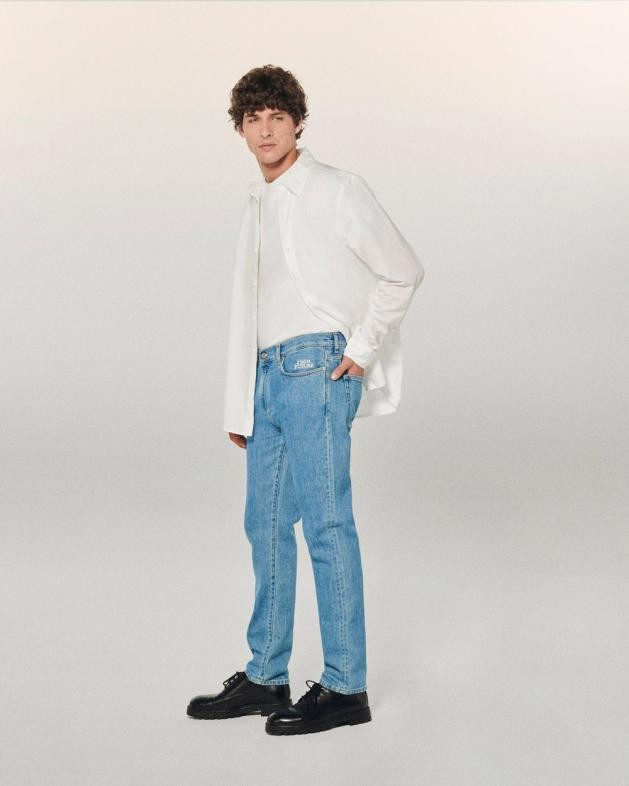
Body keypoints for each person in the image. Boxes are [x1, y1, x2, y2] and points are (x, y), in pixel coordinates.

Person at [187, 64, 425, 736]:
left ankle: (346, 686)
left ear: (297, 123)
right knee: (263, 526)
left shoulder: (335, 188)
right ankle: (266, 673)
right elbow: (254, 305)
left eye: (277, 117)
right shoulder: (259, 201)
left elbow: (402, 270)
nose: (265, 129)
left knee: (326, 525)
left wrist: (361, 348)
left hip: (316, 367)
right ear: (240, 129)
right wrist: (242, 397)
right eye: (253, 119)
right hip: (266, 377)